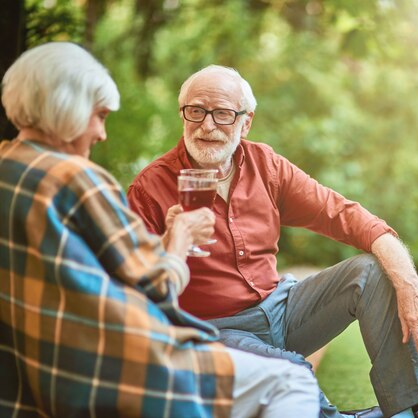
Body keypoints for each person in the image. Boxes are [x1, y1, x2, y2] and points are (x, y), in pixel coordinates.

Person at [0, 42, 320, 418]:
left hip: (34, 373)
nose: (102, 133)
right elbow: (154, 289)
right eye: (99, 116)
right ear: (65, 109)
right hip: (115, 363)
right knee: (293, 381)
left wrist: (167, 241)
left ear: (244, 122)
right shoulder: (77, 179)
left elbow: (112, 274)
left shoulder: (8, 167)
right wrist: (181, 238)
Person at [127, 65, 418, 418]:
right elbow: (136, 289)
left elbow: (348, 216)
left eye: (223, 114)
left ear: (245, 123)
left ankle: (402, 412)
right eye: (196, 111)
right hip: (213, 330)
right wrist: (173, 243)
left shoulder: (266, 166)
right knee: (290, 372)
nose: (207, 125)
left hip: (281, 309)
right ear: (183, 114)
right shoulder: (149, 188)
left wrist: (410, 284)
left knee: (370, 271)